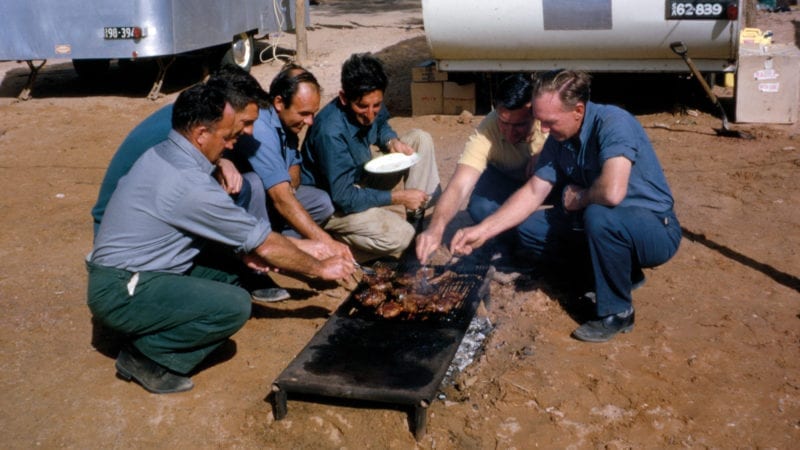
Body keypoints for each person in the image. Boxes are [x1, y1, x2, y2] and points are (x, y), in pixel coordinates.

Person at [87, 83, 355, 394]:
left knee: (237, 269)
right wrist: (319, 268)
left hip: (132, 269)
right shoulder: (188, 185)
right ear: (201, 134)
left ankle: (156, 322)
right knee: (233, 306)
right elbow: (264, 242)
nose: (229, 146)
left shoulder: (167, 153)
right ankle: (147, 356)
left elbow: (245, 237)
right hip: (121, 289)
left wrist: (255, 251)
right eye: (226, 137)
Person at [450, 69, 681, 343]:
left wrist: (579, 198)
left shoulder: (614, 123)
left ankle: (618, 312)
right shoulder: (559, 138)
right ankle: (621, 274)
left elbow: (612, 192)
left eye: (549, 122)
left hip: (654, 230)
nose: (543, 130)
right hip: (606, 225)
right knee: (529, 228)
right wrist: (483, 231)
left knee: (598, 214)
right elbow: (534, 191)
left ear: (578, 110)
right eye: (540, 121)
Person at [90, 65, 268, 239]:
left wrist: (222, 161)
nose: (250, 131)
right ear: (227, 109)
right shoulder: (174, 133)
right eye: (246, 122)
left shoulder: (194, 118)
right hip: (123, 233)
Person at [301, 53, 441, 261]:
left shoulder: (372, 100)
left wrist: (391, 141)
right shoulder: (330, 132)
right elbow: (344, 198)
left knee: (420, 139)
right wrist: (398, 197)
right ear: (343, 98)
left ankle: (415, 216)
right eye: (362, 107)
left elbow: (382, 125)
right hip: (334, 205)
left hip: (359, 176)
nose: (370, 114)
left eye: (376, 105)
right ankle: (332, 242)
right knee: (401, 236)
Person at [416, 73, 548, 264]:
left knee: (536, 226)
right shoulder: (488, 127)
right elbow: (459, 186)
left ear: (535, 113)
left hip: (550, 186)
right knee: (481, 208)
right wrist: (435, 228)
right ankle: (510, 244)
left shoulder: (550, 123)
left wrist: (548, 153)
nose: (510, 133)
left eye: (519, 125)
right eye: (504, 123)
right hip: (510, 181)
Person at [231, 64, 352, 261]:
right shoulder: (261, 129)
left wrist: (289, 182)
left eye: (313, 113)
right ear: (279, 102)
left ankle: (281, 242)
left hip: (275, 196)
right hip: (248, 202)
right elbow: (280, 197)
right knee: (257, 185)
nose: (310, 121)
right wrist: (326, 241)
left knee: (321, 203)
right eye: (304, 113)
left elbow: (294, 165)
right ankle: (263, 252)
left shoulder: (287, 122)